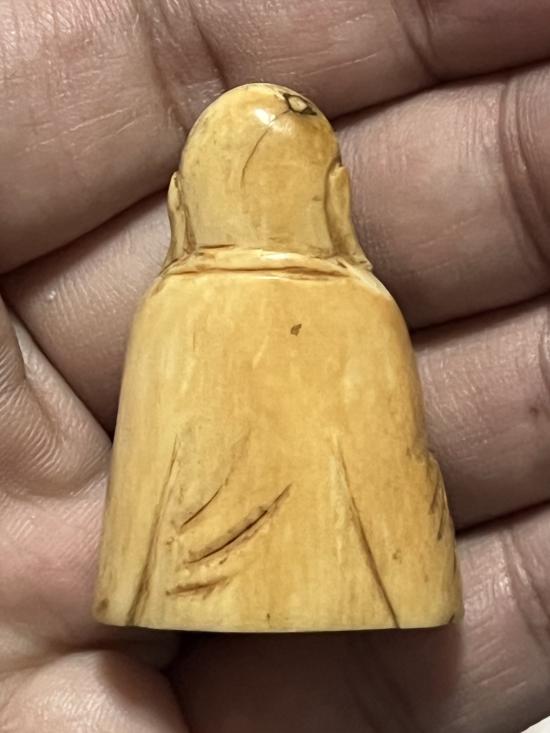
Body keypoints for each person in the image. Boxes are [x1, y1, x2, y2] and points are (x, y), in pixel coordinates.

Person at [0, 1, 548, 731]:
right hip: (352, 583)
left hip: (179, 587)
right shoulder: (360, 307)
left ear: (183, 202)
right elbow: (393, 484)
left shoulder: (170, 307)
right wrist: (419, 593)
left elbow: (142, 502)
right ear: (335, 197)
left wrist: (129, 597)